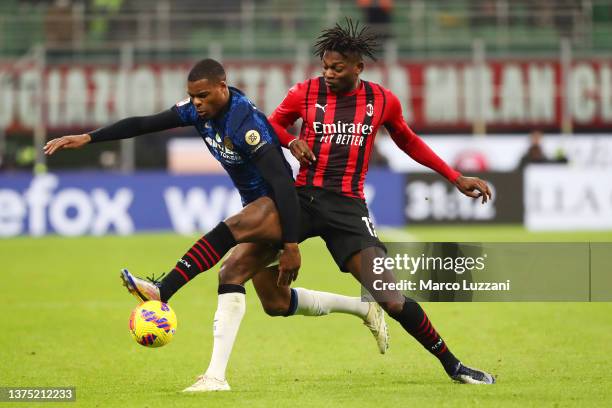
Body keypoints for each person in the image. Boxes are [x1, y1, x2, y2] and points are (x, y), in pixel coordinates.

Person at [180, 19, 496, 388]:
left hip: (348, 209)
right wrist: (290, 141)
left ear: (358, 68)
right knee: (243, 279)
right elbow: (270, 125)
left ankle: (454, 366)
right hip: (302, 200)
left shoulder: (382, 101)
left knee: (391, 299)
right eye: (325, 67)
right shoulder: (304, 93)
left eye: (337, 68)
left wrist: (454, 177)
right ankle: (209, 365)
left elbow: (408, 141)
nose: (328, 74)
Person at [43, 58, 389, 390]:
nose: (196, 103)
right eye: (192, 96)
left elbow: (284, 183)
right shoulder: (197, 111)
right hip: (255, 208)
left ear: (222, 87)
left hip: (279, 209)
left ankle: (173, 307)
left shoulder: (246, 123)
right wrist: (89, 137)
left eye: (203, 96)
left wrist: (289, 242)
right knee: (276, 303)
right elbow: (144, 123)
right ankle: (362, 308)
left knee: (230, 266)